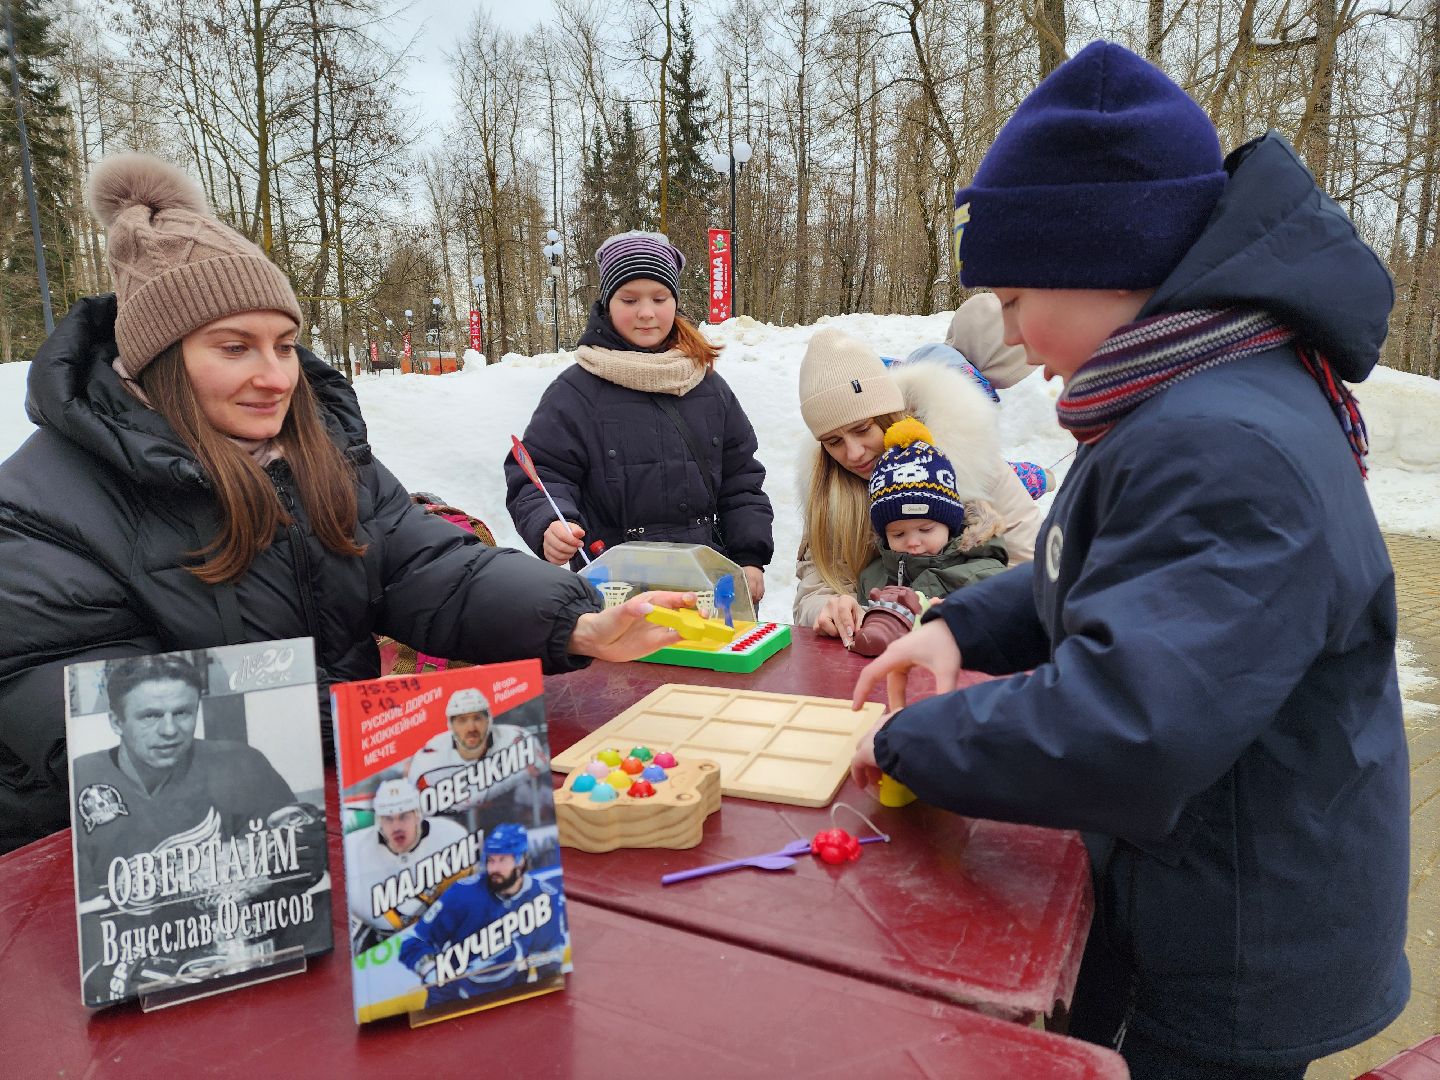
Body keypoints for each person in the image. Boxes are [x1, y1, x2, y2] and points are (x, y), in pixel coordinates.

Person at [849, 41, 1407, 1080]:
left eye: (1016, 298)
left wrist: (912, 742)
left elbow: (1126, 727)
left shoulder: (1224, 439)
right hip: (1194, 885)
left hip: (1234, 941)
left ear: (1108, 266)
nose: (1011, 336)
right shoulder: (1197, 388)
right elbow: (1112, 567)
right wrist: (960, 624)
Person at [0, 153, 694, 855]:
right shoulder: (47, 508)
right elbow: (91, 722)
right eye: (235, 348)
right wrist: (351, 729)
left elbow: (425, 564)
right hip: (130, 872)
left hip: (336, 819)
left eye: (285, 346)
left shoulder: (317, 452)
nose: (274, 378)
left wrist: (573, 620)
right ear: (157, 358)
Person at [504, 230, 773, 603]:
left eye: (659, 298)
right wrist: (550, 524)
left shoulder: (707, 386)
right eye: (629, 299)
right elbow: (541, 475)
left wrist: (749, 558)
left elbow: (741, 479)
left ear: (675, 303)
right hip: (613, 588)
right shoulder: (577, 391)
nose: (646, 312)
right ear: (607, 303)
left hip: (708, 587)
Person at [71, 653, 327, 1003]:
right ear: (116, 721)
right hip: (141, 976)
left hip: (252, 960)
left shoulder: (240, 762)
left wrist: (296, 852)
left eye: (182, 712)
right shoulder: (83, 780)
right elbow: (85, 920)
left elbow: (304, 869)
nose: (169, 730)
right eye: (150, 716)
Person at [795, 327, 1042, 640]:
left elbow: (1034, 567)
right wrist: (829, 608)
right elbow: (813, 592)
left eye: (862, 429)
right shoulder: (828, 492)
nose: (853, 453)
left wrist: (971, 608)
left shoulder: (965, 456)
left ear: (888, 415)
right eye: (833, 441)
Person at [849, 418, 1008, 657]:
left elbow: (1009, 633)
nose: (913, 542)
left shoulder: (985, 575)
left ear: (950, 524)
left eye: (926, 530)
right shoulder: (873, 577)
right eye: (898, 534)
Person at [399, 822, 568, 1008]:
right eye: (491, 860)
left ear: (521, 860)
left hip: (509, 1003)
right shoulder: (463, 894)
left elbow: (549, 961)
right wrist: (430, 970)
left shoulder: (544, 897)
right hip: (451, 1003)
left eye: (502, 860)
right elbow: (413, 942)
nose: (493, 868)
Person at [343, 777, 471, 952]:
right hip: (381, 948)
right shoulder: (352, 849)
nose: (396, 827)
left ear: (417, 815)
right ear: (379, 821)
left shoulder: (452, 836)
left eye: (403, 816)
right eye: (388, 819)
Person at [406, 687, 545, 827]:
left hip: (505, 819)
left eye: (477, 718)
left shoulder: (514, 738)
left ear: (488, 720)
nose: (471, 728)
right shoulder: (430, 756)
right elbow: (420, 805)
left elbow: (539, 764)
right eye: (462, 720)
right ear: (451, 725)